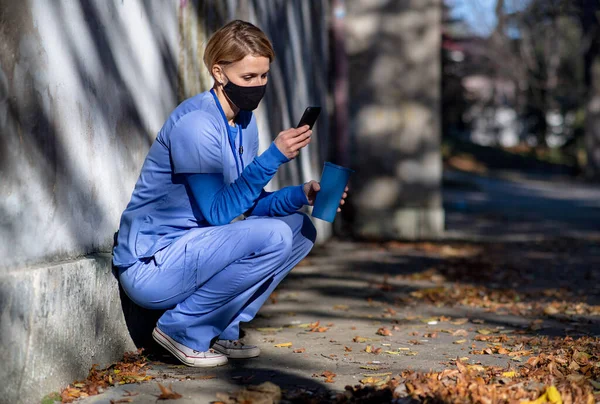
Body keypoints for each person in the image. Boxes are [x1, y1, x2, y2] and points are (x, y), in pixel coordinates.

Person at [112, 20, 347, 367]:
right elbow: (219, 213)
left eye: (263, 76)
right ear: (219, 73)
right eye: (248, 78)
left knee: (300, 230)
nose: (258, 86)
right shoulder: (196, 124)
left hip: (193, 250)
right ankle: (183, 329)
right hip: (153, 266)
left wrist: (302, 194)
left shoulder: (243, 122)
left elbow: (248, 203)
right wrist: (273, 157)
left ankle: (222, 329)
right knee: (276, 234)